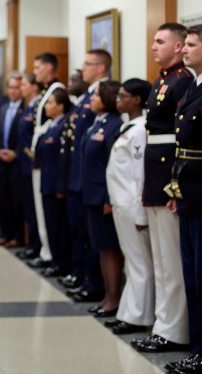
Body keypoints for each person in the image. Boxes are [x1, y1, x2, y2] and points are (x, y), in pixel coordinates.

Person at [132, 23, 193, 354]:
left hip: (168, 173)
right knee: (161, 259)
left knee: (172, 263)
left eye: (160, 41)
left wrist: (175, 182)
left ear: (180, 45)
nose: (154, 46)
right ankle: (164, 324)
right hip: (155, 174)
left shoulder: (182, 80)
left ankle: (174, 329)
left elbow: (182, 136)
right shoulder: (164, 79)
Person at [164, 24, 202, 374]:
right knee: (192, 276)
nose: (185, 49)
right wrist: (177, 188)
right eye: (185, 43)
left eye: (192, 44)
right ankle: (197, 347)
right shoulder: (194, 86)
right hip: (190, 194)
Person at [60, 50, 110, 300]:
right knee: (79, 232)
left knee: (91, 237)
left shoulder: (103, 95)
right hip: (78, 177)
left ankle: (93, 284)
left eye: (87, 65)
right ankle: (82, 275)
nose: (82, 70)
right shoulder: (87, 96)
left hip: (89, 180)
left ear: (101, 67)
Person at [104, 78, 153, 335]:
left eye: (123, 95)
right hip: (120, 204)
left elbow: (139, 175)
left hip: (131, 205)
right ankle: (129, 311)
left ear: (137, 100)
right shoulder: (128, 127)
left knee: (138, 263)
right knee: (132, 263)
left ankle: (137, 316)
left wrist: (139, 211)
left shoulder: (139, 130)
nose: (118, 99)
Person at [81, 80, 123, 317]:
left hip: (103, 198)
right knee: (100, 248)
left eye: (96, 95)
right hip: (91, 195)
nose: (91, 100)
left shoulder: (115, 125)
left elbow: (113, 166)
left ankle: (114, 298)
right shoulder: (98, 123)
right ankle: (107, 295)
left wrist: (108, 197)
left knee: (109, 249)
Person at [27, 52, 65, 269]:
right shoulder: (45, 92)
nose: (35, 72)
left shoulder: (57, 90)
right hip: (39, 155)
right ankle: (45, 249)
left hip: (47, 158)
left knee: (47, 211)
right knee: (40, 210)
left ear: (49, 68)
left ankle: (50, 253)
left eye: (38, 67)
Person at [36, 88, 72, 277]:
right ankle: (55, 260)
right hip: (46, 183)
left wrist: (60, 186)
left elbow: (62, 160)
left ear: (60, 106)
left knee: (59, 227)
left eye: (51, 103)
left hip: (56, 185)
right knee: (51, 224)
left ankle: (61, 262)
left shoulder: (63, 127)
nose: (47, 107)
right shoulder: (50, 126)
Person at [0, 74, 24, 247]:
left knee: (16, 200)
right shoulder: (3, 107)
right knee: (3, 198)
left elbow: (26, 138)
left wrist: (16, 153)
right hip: (1, 159)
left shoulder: (25, 108)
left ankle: (17, 236)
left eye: (17, 87)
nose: (13, 91)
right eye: (11, 87)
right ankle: (5, 233)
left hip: (17, 161)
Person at [15, 73, 42, 260]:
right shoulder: (26, 107)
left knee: (35, 209)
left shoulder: (38, 107)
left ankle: (36, 246)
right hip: (22, 164)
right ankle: (31, 244)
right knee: (28, 208)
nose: (20, 88)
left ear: (33, 87)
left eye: (24, 84)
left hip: (33, 165)